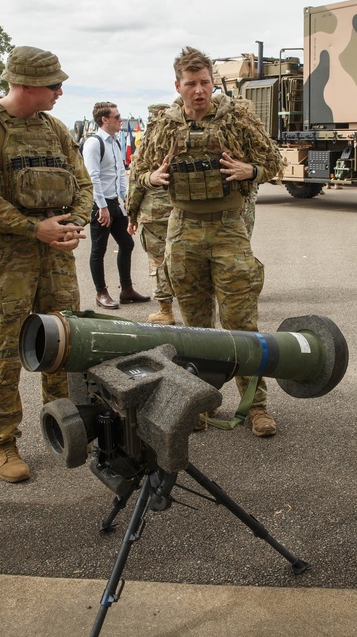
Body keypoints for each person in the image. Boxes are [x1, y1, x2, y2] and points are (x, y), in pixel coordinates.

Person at [0, 46, 92, 482]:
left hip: (57, 258)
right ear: (26, 85)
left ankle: (64, 425)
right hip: (7, 261)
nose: (60, 91)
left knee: (63, 344)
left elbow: (83, 183)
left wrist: (74, 224)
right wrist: (35, 230)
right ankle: (4, 442)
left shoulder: (55, 129)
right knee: (4, 351)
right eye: (53, 85)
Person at [129, 46, 284, 436]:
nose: (199, 91)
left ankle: (255, 406)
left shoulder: (236, 119)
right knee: (195, 326)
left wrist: (252, 169)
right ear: (177, 86)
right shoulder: (164, 126)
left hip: (228, 226)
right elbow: (140, 170)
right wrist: (152, 180)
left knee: (240, 322)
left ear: (213, 82)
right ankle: (197, 405)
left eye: (204, 83)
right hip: (183, 228)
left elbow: (275, 161)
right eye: (190, 84)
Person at [83, 101, 149, 309]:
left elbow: (120, 174)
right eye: (117, 117)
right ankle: (101, 292)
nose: (121, 120)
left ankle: (127, 290)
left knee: (127, 244)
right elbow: (92, 177)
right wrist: (101, 207)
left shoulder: (115, 142)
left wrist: (125, 203)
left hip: (115, 204)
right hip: (99, 205)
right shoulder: (94, 143)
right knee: (98, 250)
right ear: (105, 120)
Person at [126, 103, 176, 325]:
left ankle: (165, 311)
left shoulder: (147, 144)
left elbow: (136, 183)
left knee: (158, 262)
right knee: (183, 260)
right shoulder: (181, 141)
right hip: (182, 211)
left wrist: (132, 216)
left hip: (154, 214)